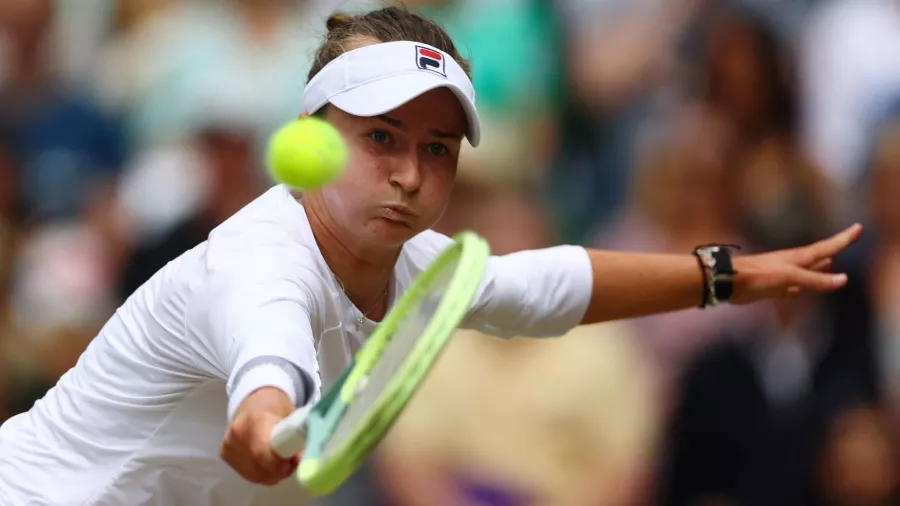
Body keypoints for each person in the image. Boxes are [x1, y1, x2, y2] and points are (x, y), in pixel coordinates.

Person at [0, 6, 863, 506]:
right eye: (383, 137)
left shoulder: (408, 254)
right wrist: (264, 426)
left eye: (440, 148)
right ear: (314, 140)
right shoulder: (261, 268)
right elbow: (268, 364)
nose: (413, 176)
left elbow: (540, 284)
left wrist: (725, 273)